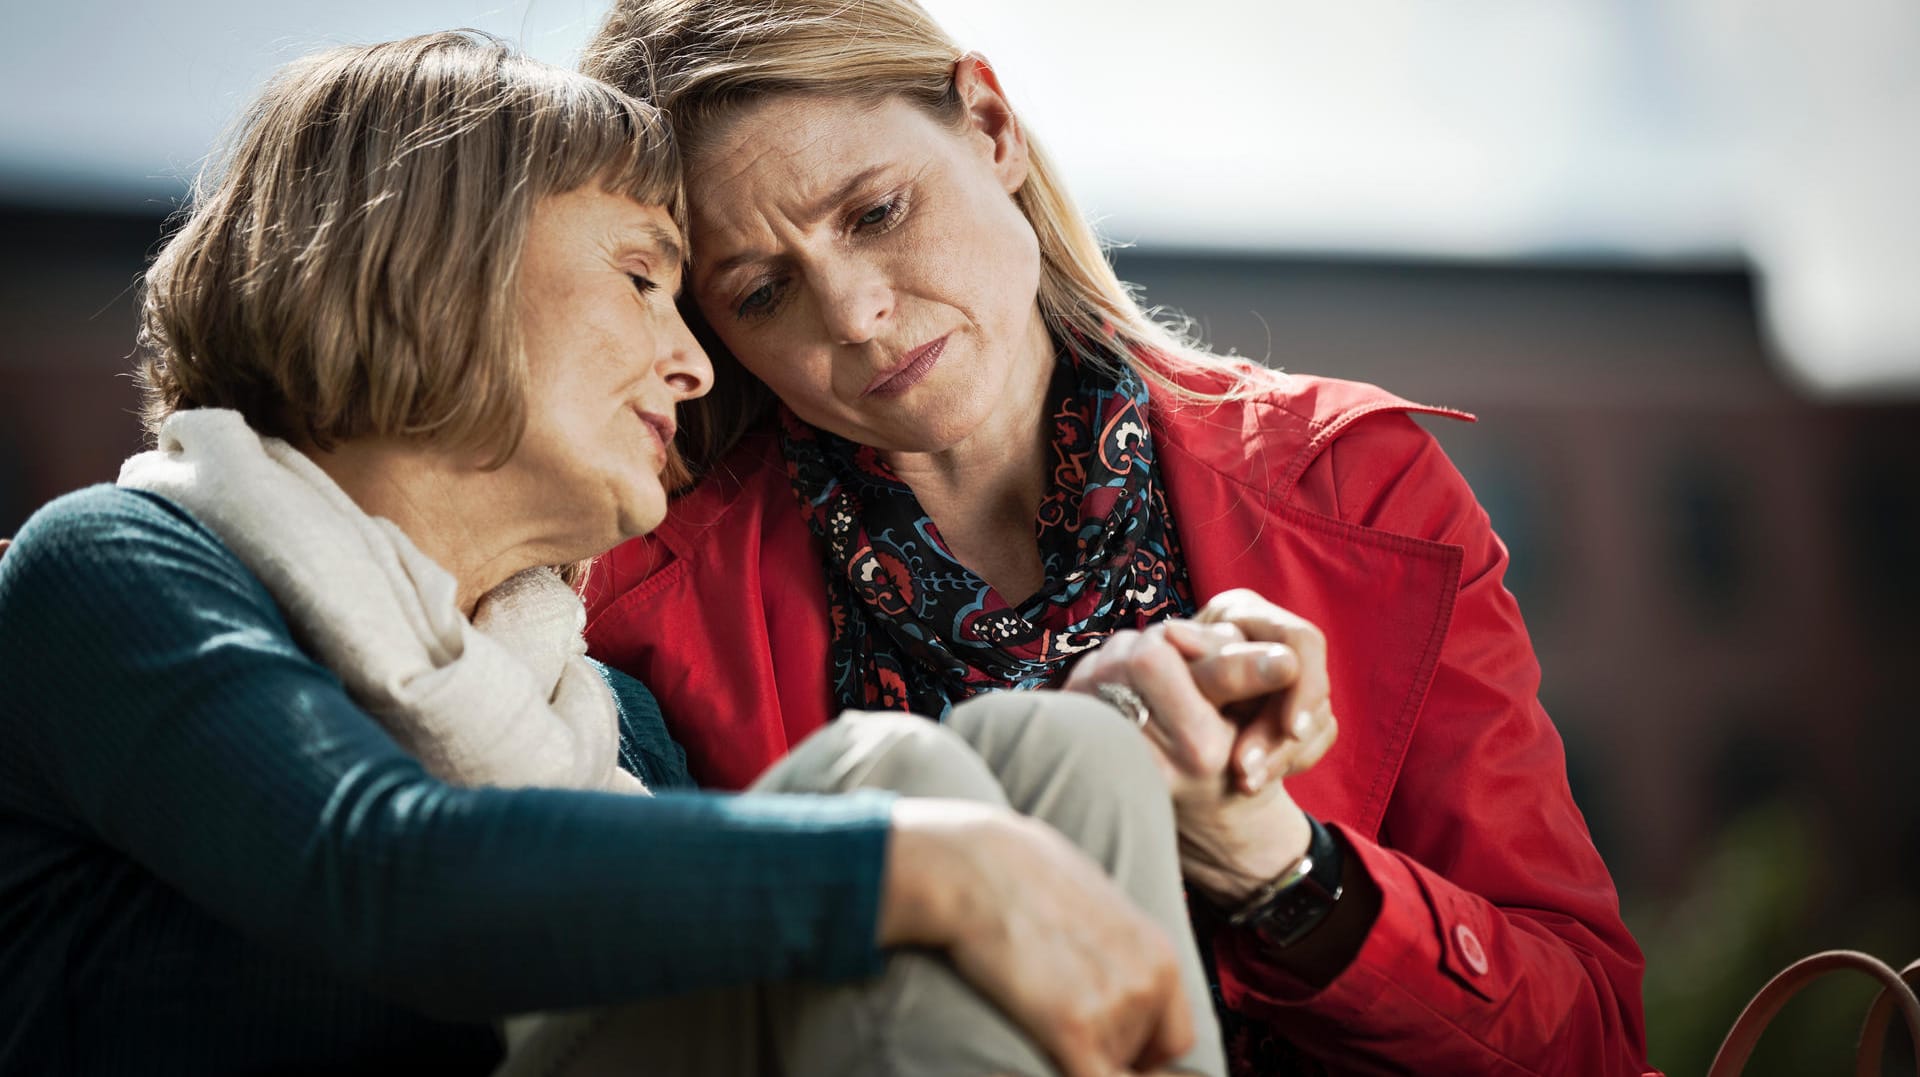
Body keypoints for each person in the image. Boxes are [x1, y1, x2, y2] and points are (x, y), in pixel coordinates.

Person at [0, 31, 1239, 1076]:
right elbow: (376, 869)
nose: (696, 367)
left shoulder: (612, 723)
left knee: (1064, 749)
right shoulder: (113, 571)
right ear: (443, 272)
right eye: (648, 279)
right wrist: (916, 857)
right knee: (893, 778)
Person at [577, 3, 1657, 1074]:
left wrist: (1280, 867)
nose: (855, 314)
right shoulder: (633, 616)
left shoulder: (1356, 486)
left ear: (990, 128)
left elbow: (1593, 1038)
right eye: (764, 291)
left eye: (875, 213)